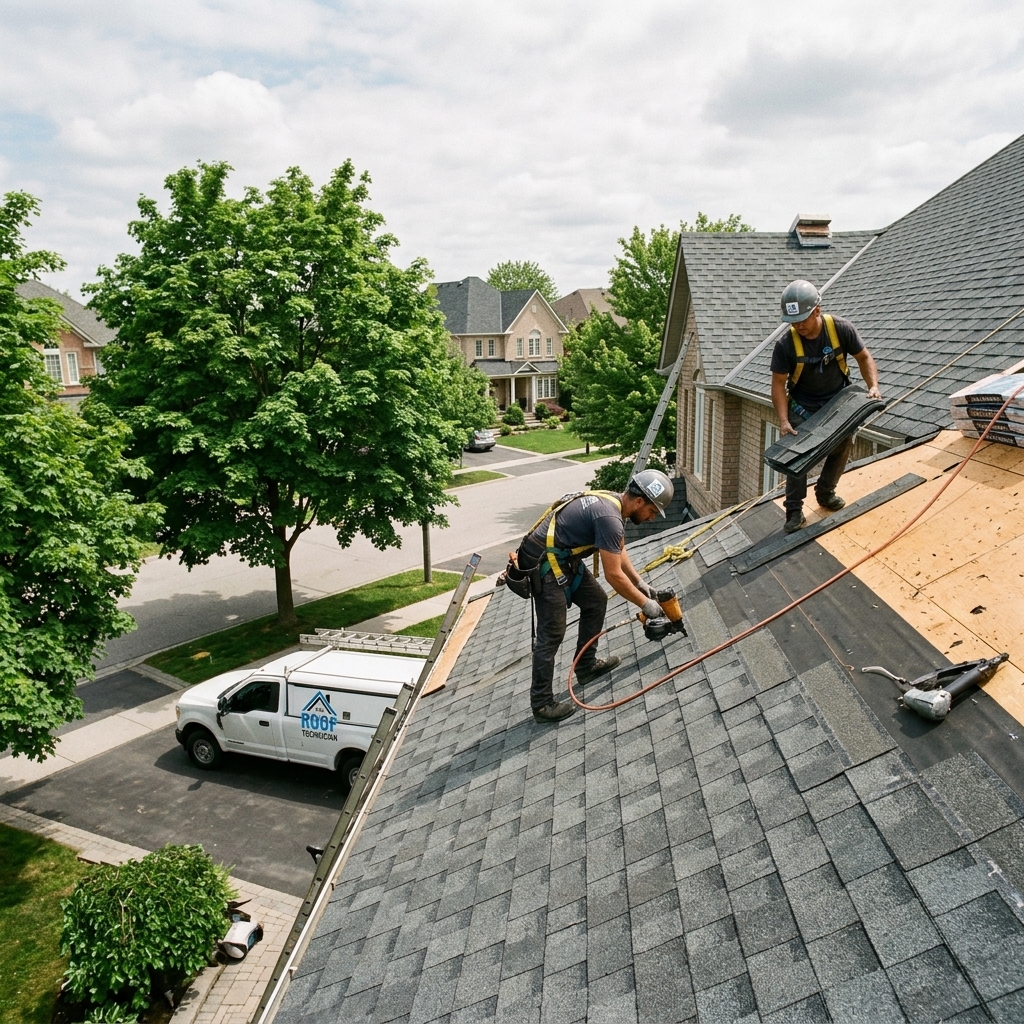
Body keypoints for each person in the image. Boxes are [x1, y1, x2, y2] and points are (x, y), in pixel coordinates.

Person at [516, 470, 674, 723]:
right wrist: (647, 605)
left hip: (564, 558)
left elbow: (618, 550)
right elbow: (613, 575)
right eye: (653, 511)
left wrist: (642, 584)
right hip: (544, 564)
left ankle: (586, 667)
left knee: (596, 601)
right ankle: (542, 704)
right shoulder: (609, 517)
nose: (651, 517)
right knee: (552, 633)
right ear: (639, 502)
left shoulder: (614, 506)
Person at [770, 279, 881, 534]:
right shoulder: (786, 345)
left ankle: (825, 492)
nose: (798, 326)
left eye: (802, 320)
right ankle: (794, 511)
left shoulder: (841, 329)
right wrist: (784, 421)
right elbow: (777, 384)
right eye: (793, 321)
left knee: (842, 445)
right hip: (803, 406)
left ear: (817, 310)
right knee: (797, 457)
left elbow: (864, 358)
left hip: (837, 401)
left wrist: (872, 386)